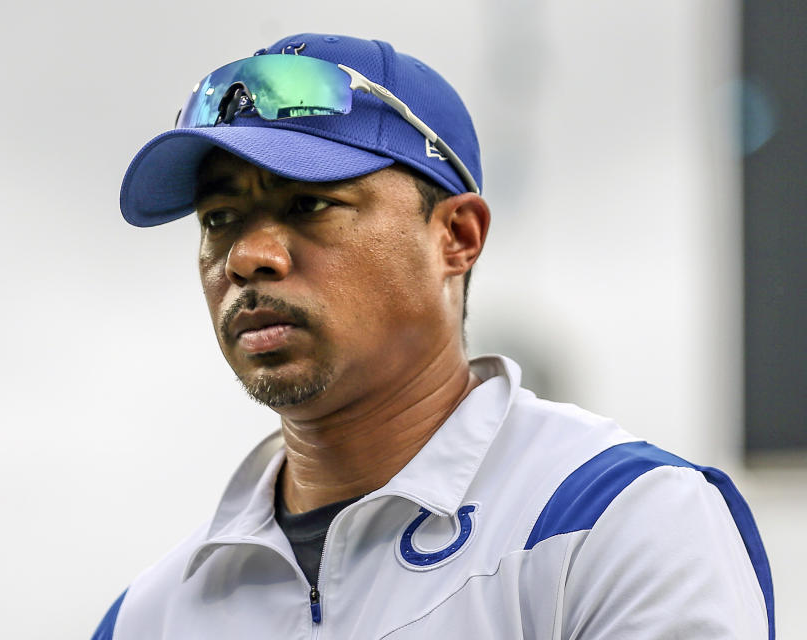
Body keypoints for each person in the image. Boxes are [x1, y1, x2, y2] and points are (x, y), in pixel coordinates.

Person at [93, 33, 774, 639]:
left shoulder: (617, 519)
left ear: (456, 236)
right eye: (219, 218)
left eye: (308, 204)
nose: (248, 255)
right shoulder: (148, 617)